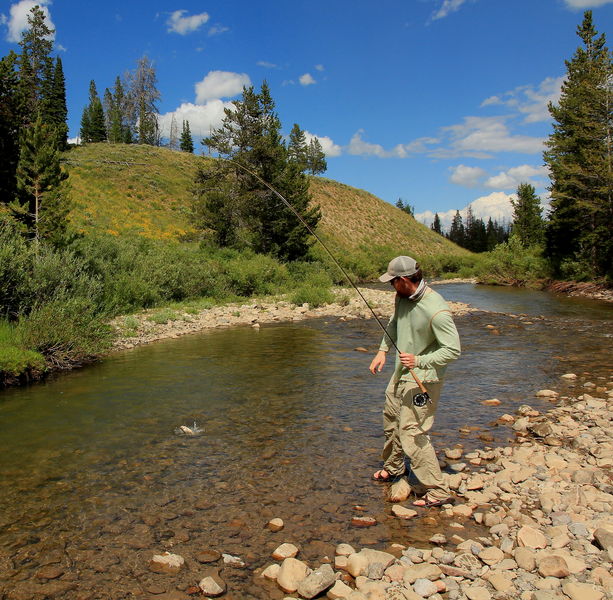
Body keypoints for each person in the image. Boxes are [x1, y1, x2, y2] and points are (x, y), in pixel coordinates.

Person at [369, 255, 461, 507]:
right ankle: (394, 467)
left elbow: (453, 350)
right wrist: (382, 350)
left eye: (392, 281)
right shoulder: (401, 297)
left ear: (405, 280)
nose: (390, 286)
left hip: (425, 377)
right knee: (390, 417)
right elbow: (394, 324)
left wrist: (419, 361)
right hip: (402, 372)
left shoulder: (437, 310)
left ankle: (438, 490)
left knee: (412, 431)